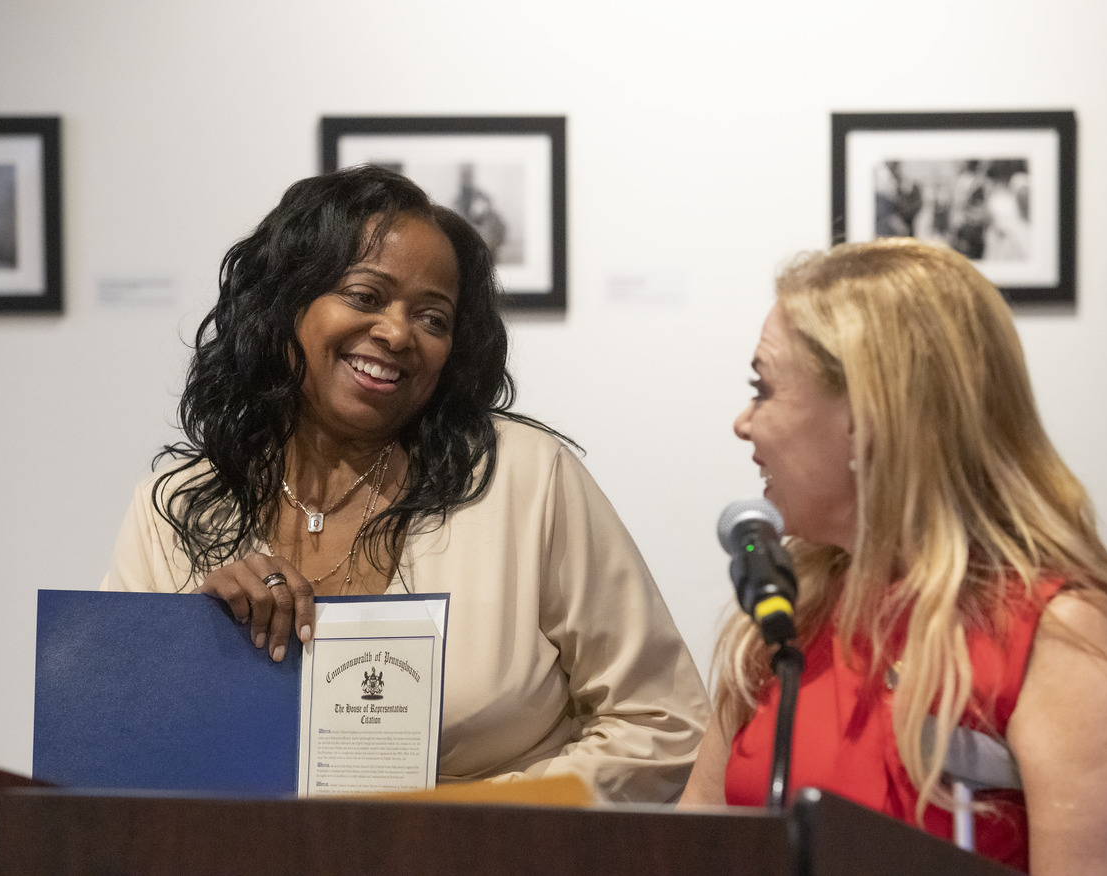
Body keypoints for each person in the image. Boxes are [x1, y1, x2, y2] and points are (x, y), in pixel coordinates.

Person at [102, 165, 710, 802]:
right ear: (285, 303)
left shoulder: (528, 480)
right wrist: (195, 641)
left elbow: (663, 723)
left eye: (433, 318)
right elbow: (117, 751)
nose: (397, 333)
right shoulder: (174, 510)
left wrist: (459, 822)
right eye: (365, 297)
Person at [679, 238, 1107, 874]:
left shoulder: (1066, 645)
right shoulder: (787, 620)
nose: (743, 422)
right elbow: (690, 851)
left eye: (765, 388)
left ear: (867, 416)